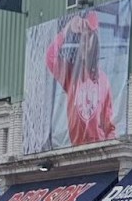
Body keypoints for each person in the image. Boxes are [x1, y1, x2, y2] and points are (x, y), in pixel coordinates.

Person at [44, 9, 116, 146]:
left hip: (98, 149)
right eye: (82, 37)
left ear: (95, 40)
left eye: (88, 36)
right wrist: (67, 29)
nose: (84, 42)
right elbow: (50, 57)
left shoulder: (103, 80)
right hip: (76, 148)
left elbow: (110, 125)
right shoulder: (71, 74)